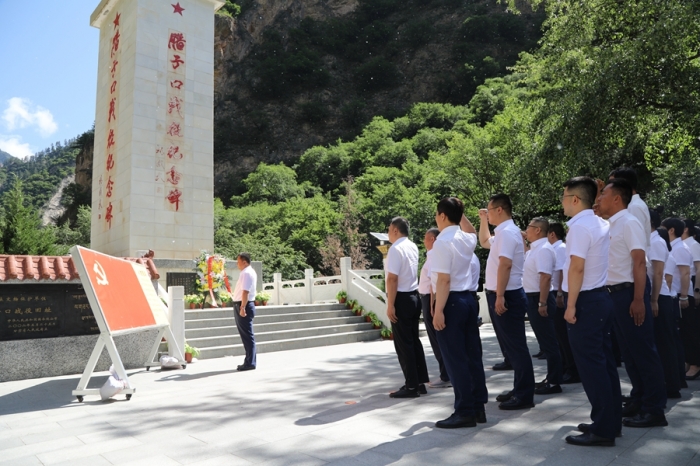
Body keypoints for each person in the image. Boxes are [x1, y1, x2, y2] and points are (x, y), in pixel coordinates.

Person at [596, 179, 667, 428]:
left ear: (617, 198)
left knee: (643, 351)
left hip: (628, 293)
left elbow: (639, 262)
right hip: (614, 295)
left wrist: (639, 299)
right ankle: (639, 398)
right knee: (629, 352)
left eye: (603, 194)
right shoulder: (611, 224)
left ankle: (654, 409)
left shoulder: (629, 222)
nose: (599, 198)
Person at [560, 176, 621, 447]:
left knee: (592, 367)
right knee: (604, 364)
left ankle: (603, 429)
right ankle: (610, 421)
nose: (562, 203)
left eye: (564, 197)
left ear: (575, 199)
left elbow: (577, 267)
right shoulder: (599, 223)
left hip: (585, 301)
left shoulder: (580, 227)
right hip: (600, 298)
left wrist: (571, 305)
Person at [431, 197, 488, 428]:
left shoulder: (442, 242)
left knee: (456, 360)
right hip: (468, 300)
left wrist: (438, 310)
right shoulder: (466, 238)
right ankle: (478, 407)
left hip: (451, 301)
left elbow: (443, 281)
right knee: (472, 356)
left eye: (438, 214)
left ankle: (464, 411)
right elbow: (472, 230)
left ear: (443, 216)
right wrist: (459, 212)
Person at [479, 194, 535, 410]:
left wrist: (500, 295)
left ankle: (524, 395)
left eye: (490, 210)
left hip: (507, 295)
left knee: (516, 347)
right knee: (511, 348)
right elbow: (484, 241)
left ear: (500, 210)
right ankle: (519, 388)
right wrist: (483, 220)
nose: (488, 213)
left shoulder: (508, 233)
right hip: (503, 293)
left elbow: (505, 265)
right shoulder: (504, 232)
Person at [385, 217, 429, 398]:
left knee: (404, 344)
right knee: (413, 341)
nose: (388, 233)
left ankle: (411, 386)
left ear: (396, 230)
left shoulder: (395, 249)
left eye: (389, 229)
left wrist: (390, 305)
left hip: (401, 299)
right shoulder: (412, 246)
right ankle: (419, 382)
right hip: (413, 296)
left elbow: (392, 279)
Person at [522, 217, 563, 395]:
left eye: (529, 227)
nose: (526, 230)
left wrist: (542, 302)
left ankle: (554, 381)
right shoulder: (535, 249)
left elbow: (545, 277)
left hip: (539, 298)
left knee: (549, 343)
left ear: (538, 230)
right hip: (533, 297)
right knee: (545, 343)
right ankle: (551, 377)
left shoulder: (544, 249)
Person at [661, 217, 693, 385]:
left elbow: (685, 273)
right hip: (675, 295)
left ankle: (681, 372)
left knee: (679, 335)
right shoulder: (673, 247)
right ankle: (681, 370)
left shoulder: (679, 248)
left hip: (679, 296)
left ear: (671, 230)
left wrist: (684, 296)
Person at [651, 222, 681, 397]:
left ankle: (672, 385)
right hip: (659, 297)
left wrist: (654, 300)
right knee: (661, 342)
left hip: (662, 298)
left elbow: (662, 277)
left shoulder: (659, 247)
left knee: (665, 343)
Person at [418, 228, 451, 389]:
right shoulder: (432, 255)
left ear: (432, 239)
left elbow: (434, 285)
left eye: (425, 238)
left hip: (430, 299)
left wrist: (433, 306)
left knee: (437, 339)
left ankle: (446, 375)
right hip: (429, 299)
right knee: (437, 339)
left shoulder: (434, 256)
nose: (424, 241)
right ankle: (446, 373)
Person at [548, 221, 580, 384]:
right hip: (555, 292)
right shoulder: (555, 248)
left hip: (558, 293)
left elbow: (561, 272)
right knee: (558, 335)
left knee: (563, 334)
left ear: (552, 234)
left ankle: (572, 369)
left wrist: (560, 293)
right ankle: (565, 367)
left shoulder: (560, 248)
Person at [681, 218, 700, 379]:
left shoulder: (693, 244)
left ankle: (695, 364)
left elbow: (698, 269)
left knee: (692, 328)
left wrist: (697, 290)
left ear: (686, 229)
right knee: (685, 328)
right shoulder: (683, 244)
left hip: (692, 284)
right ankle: (688, 361)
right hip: (685, 284)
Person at [232, 252, 257, 371]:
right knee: (246, 336)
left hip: (244, 305)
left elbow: (245, 292)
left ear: (245, 262)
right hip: (243, 304)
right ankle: (249, 361)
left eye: (238, 262)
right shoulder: (248, 272)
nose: (237, 264)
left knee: (247, 336)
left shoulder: (247, 273)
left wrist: (242, 308)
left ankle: (250, 362)